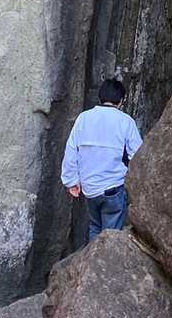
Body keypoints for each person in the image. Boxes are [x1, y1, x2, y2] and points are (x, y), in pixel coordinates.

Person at [60, 76, 143, 239]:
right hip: (113, 188)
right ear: (121, 100)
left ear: (100, 97)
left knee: (95, 228)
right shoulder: (125, 121)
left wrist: (71, 181)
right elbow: (138, 155)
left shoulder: (83, 118)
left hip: (89, 189)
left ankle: (92, 254)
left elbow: (71, 150)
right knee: (110, 237)